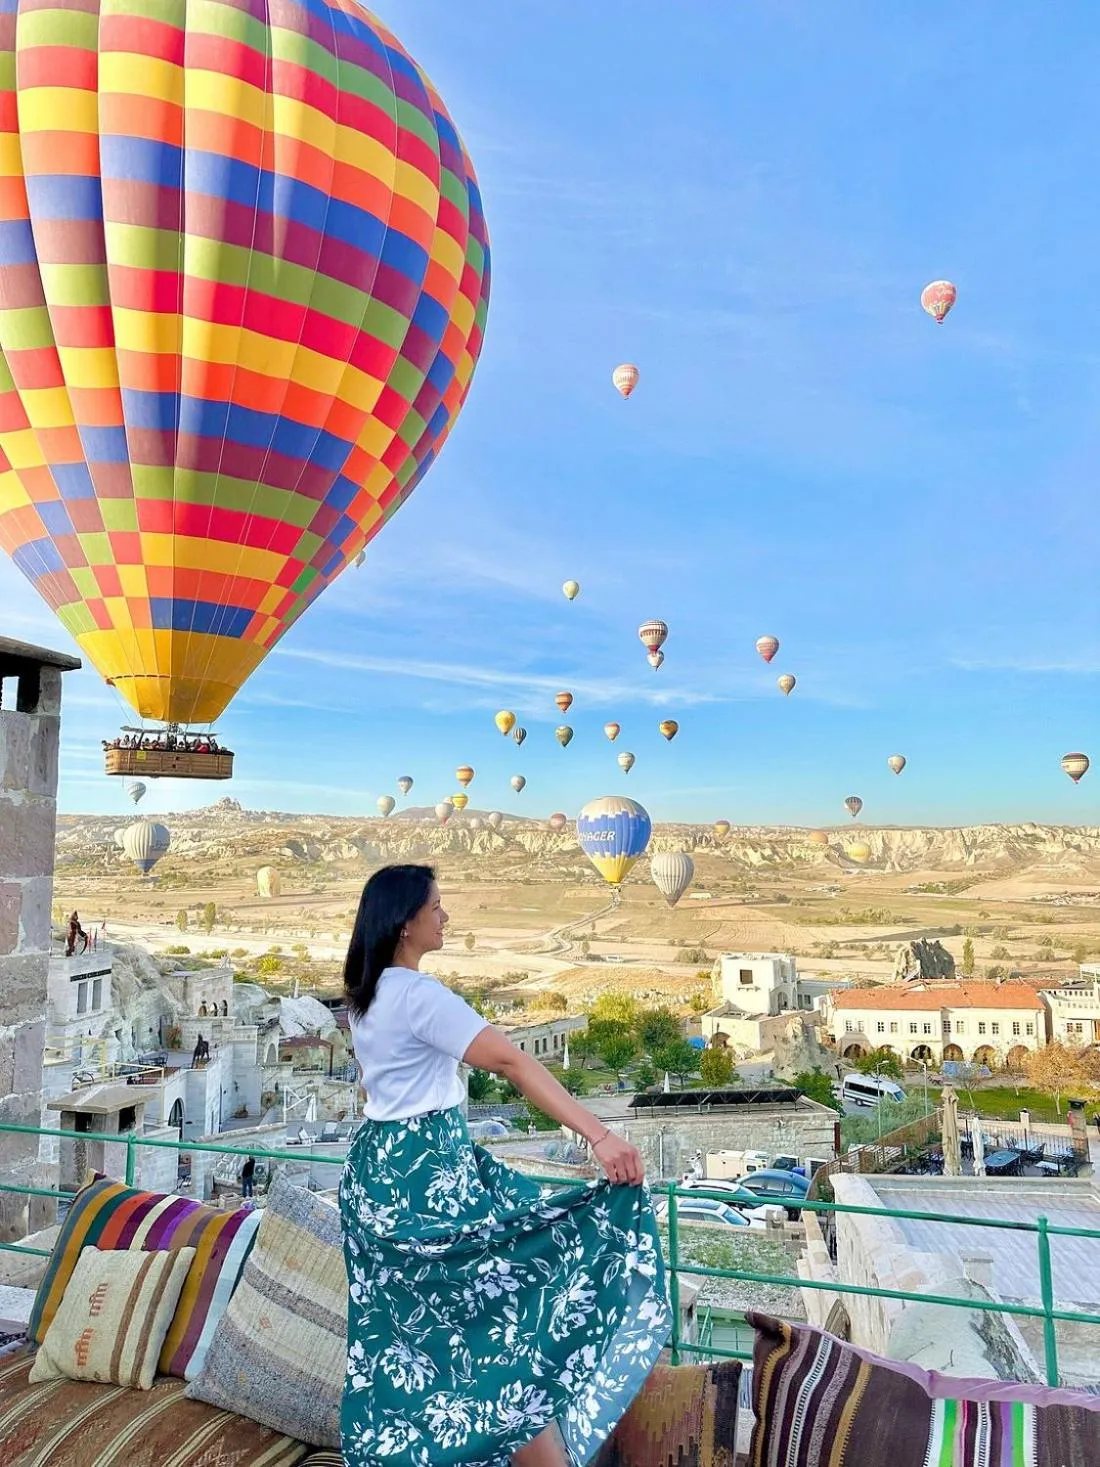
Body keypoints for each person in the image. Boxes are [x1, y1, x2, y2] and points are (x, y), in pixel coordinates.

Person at [339, 865, 667, 1467]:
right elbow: (516, 1064)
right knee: (505, 1315)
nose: (445, 917)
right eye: (437, 907)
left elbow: (380, 1092)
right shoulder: (419, 996)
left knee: (420, 1341)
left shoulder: (365, 997)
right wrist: (600, 1136)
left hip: (378, 1178)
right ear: (406, 922)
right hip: (429, 1177)